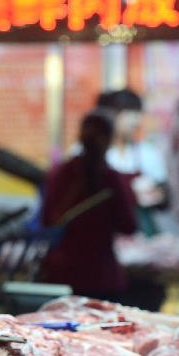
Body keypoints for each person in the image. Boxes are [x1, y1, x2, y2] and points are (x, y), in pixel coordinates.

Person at [40, 110, 137, 302]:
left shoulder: (61, 174)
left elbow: (46, 220)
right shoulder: (111, 179)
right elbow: (129, 226)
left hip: (62, 275)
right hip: (101, 277)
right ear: (109, 140)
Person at [97, 88, 168, 236]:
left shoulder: (146, 153)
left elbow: (166, 199)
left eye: (138, 113)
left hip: (143, 238)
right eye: (128, 113)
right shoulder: (90, 155)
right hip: (104, 237)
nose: (136, 120)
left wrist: (159, 194)